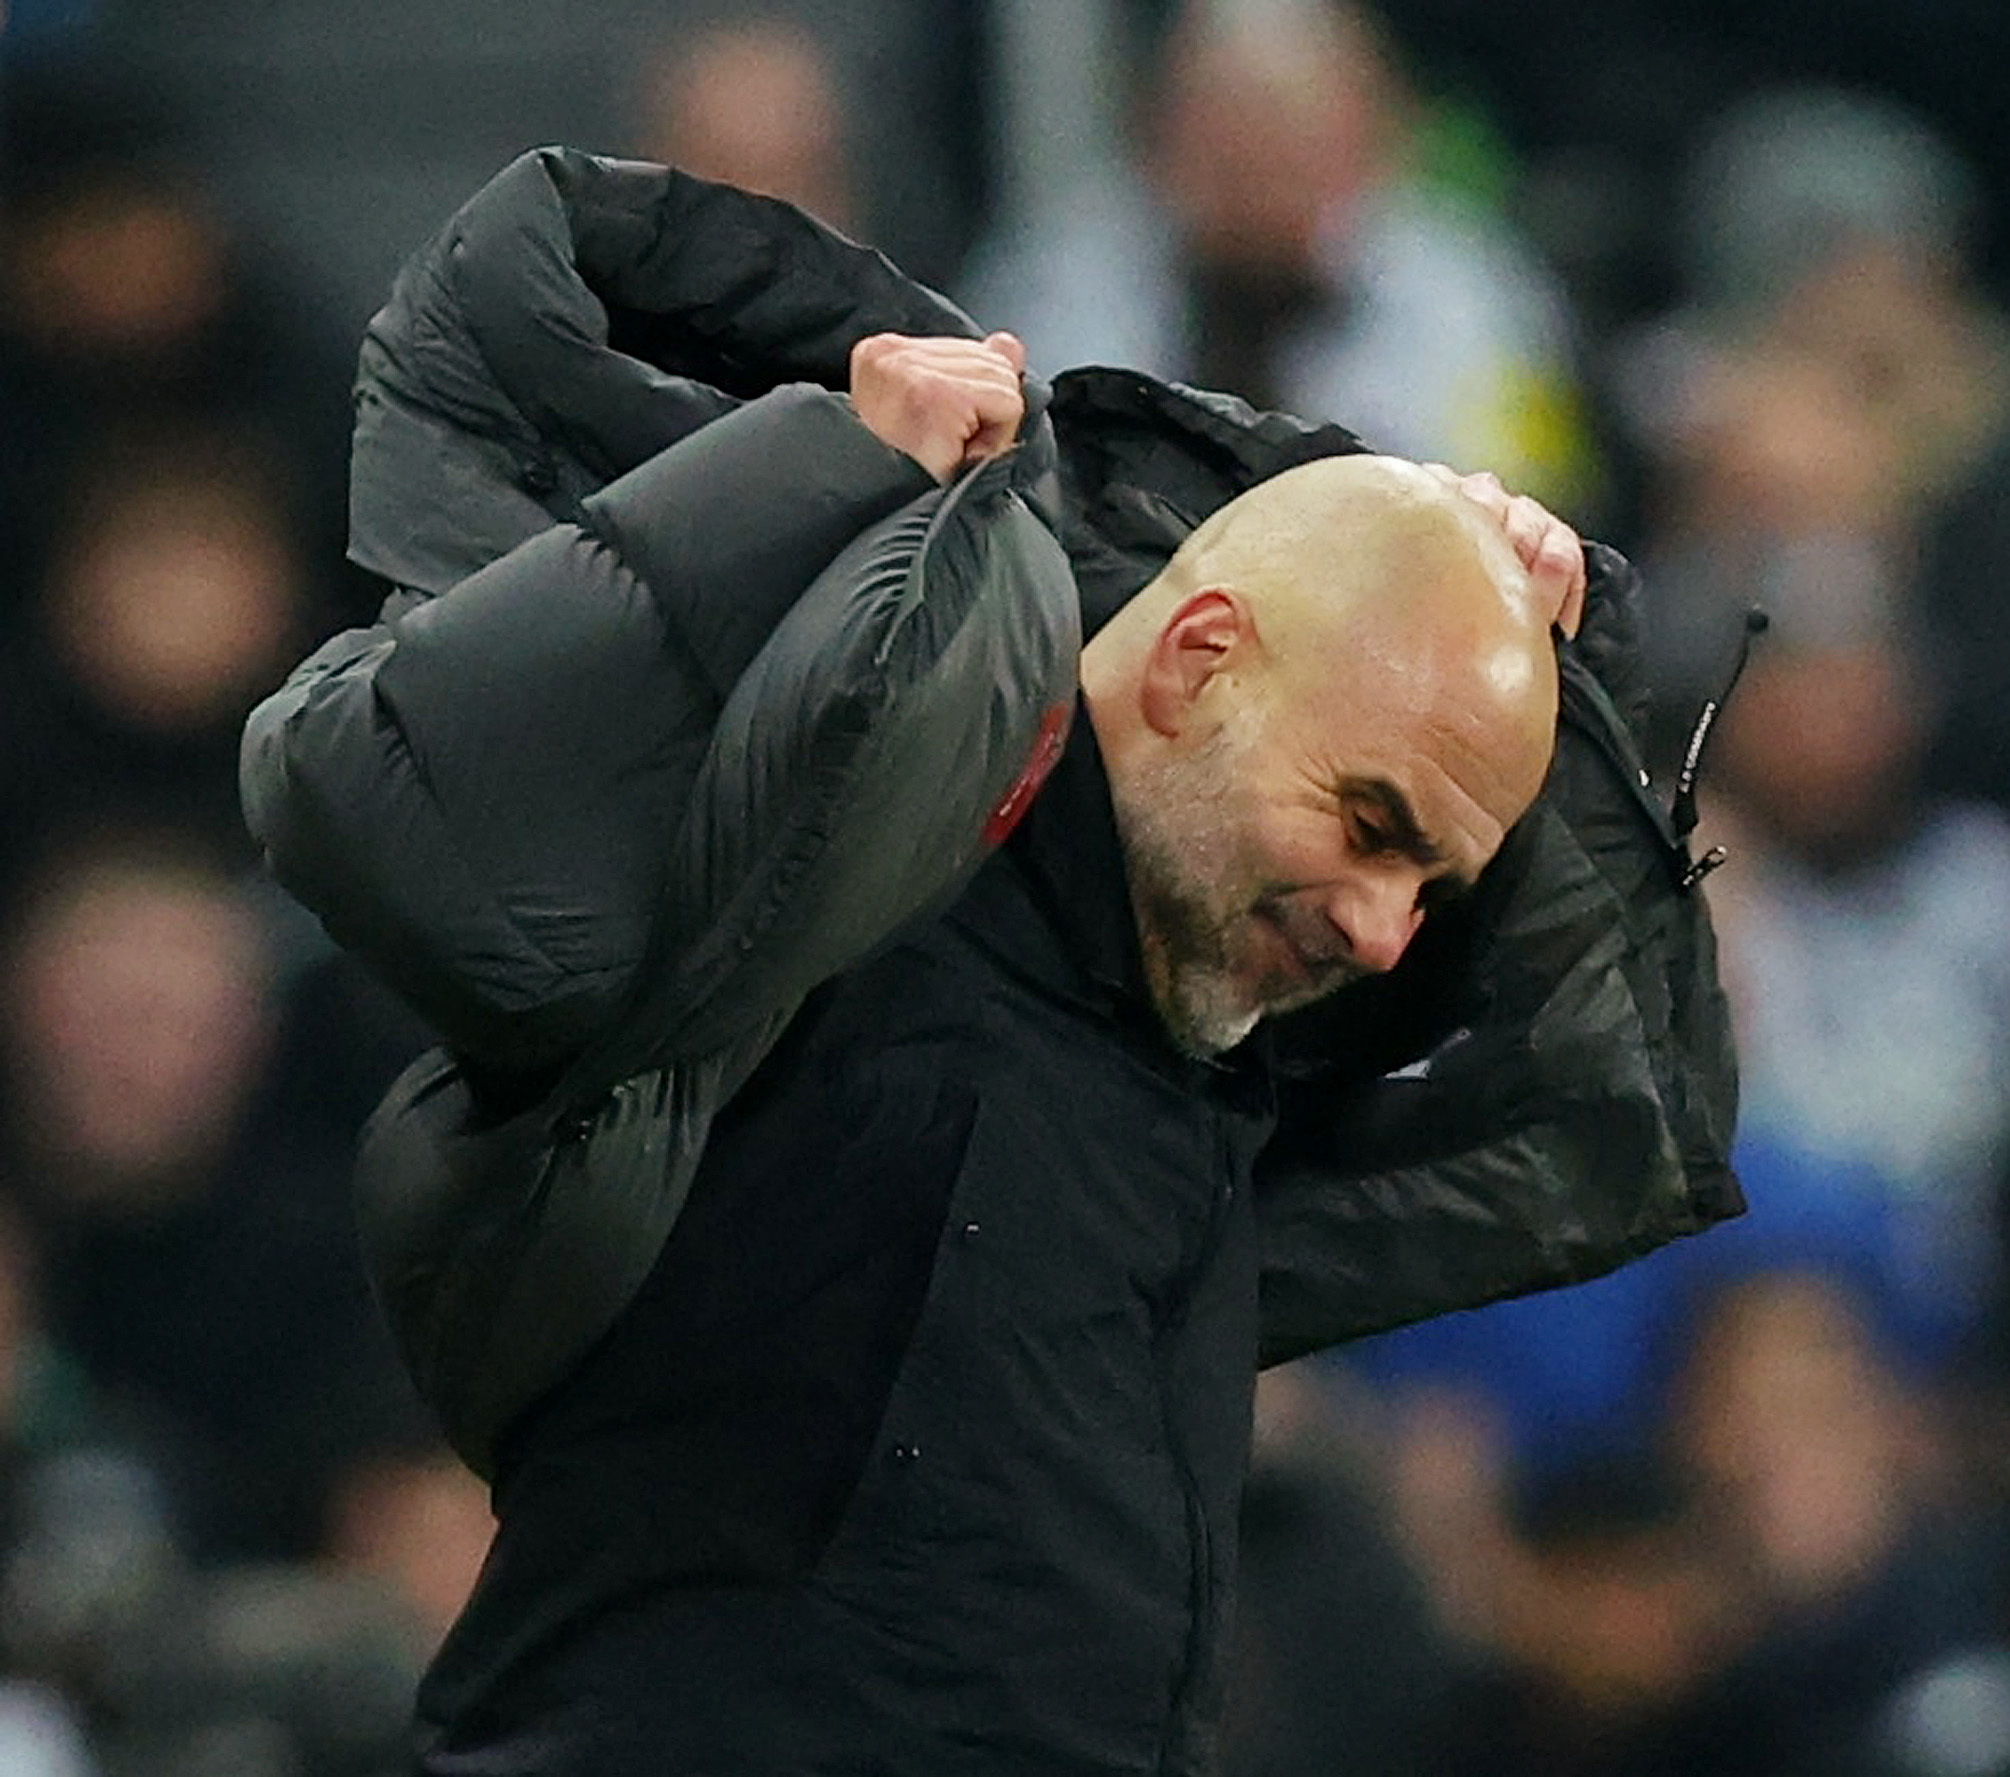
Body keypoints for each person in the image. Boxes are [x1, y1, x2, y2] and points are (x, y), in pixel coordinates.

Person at [245, 148, 1742, 1774]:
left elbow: (1596, 1102)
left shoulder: (1220, 1042)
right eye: (1370, 823)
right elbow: (397, 799)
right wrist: (812, 482)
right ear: (1198, 656)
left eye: (1431, 886)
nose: (1385, 926)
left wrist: (1552, 676)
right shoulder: (807, 857)